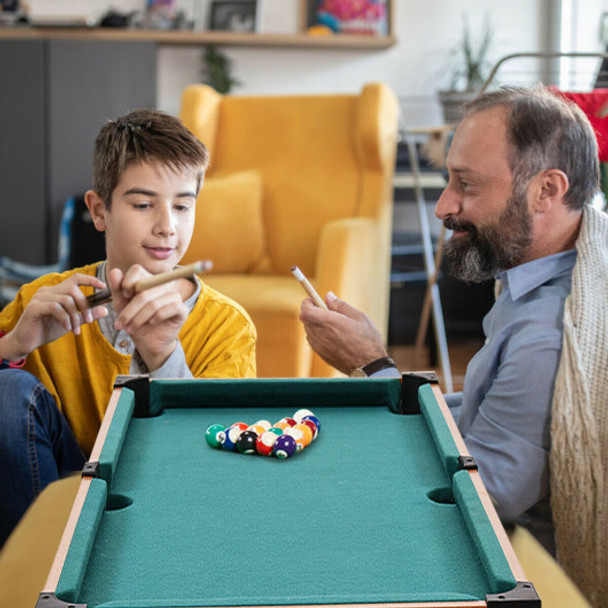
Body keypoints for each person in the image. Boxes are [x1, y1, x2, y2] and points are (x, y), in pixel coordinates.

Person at [300, 85, 608, 604]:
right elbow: (485, 409)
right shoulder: (541, 274)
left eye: (466, 184)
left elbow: (489, 496)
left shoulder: (552, 330)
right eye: (449, 179)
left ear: (546, 190)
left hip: (525, 568)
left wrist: (372, 367)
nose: (445, 205)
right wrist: (383, 378)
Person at [0, 109, 257, 546]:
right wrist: (13, 346)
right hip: (51, 506)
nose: (166, 227)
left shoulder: (227, 325)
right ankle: (36, 573)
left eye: (182, 205)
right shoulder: (40, 300)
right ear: (99, 211)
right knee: (7, 390)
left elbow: (222, 467)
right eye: (142, 205)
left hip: (166, 507)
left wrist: (162, 355)